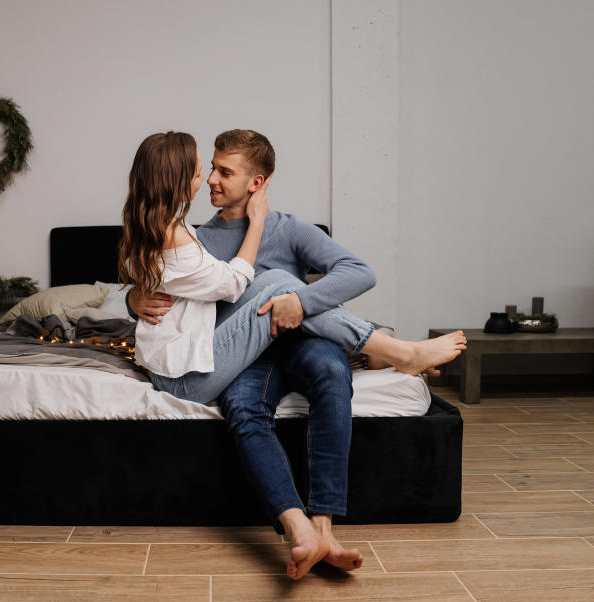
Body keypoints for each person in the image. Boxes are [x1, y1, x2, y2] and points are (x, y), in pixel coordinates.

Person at [121, 130, 466, 579]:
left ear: (256, 183)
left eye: (225, 172)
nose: (210, 180)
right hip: (244, 354)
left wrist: (302, 304)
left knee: (329, 375)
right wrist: (132, 297)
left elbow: (360, 272)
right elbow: (165, 276)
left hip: (305, 340)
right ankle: (393, 353)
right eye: (211, 170)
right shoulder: (195, 237)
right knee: (244, 404)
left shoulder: (289, 227)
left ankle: (323, 526)